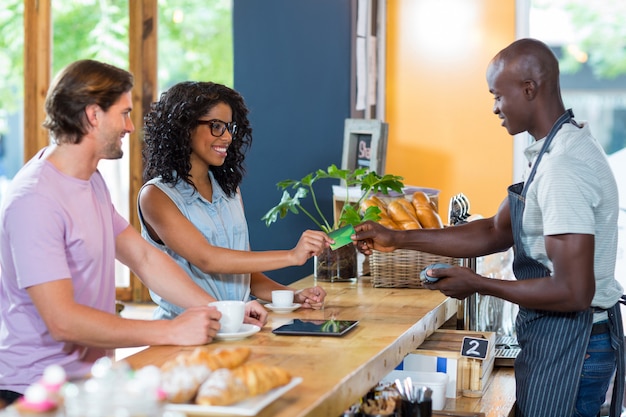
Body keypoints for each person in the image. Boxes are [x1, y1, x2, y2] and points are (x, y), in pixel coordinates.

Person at [353, 38, 625, 417]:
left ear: (529, 89)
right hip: (560, 337)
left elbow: (574, 291)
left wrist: (478, 284)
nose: (494, 108)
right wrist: (396, 237)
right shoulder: (549, 150)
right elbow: (495, 231)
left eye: (497, 95)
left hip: (575, 344)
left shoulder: (563, 166)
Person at [0, 60, 223, 405]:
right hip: (37, 391)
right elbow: (62, 321)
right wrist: (170, 331)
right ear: (93, 115)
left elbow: (145, 258)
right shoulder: (35, 199)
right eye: (124, 113)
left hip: (90, 383)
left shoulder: (90, 181)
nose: (131, 127)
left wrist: (219, 309)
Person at [139, 81, 331, 323]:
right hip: (184, 334)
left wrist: (292, 296)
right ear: (184, 127)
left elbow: (245, 273)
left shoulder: (229, 191)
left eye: (229, 127)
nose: (227, 137)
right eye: (216, 126)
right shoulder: (156, 196)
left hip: (239, 326)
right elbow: (208, 259)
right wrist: (292, 255)